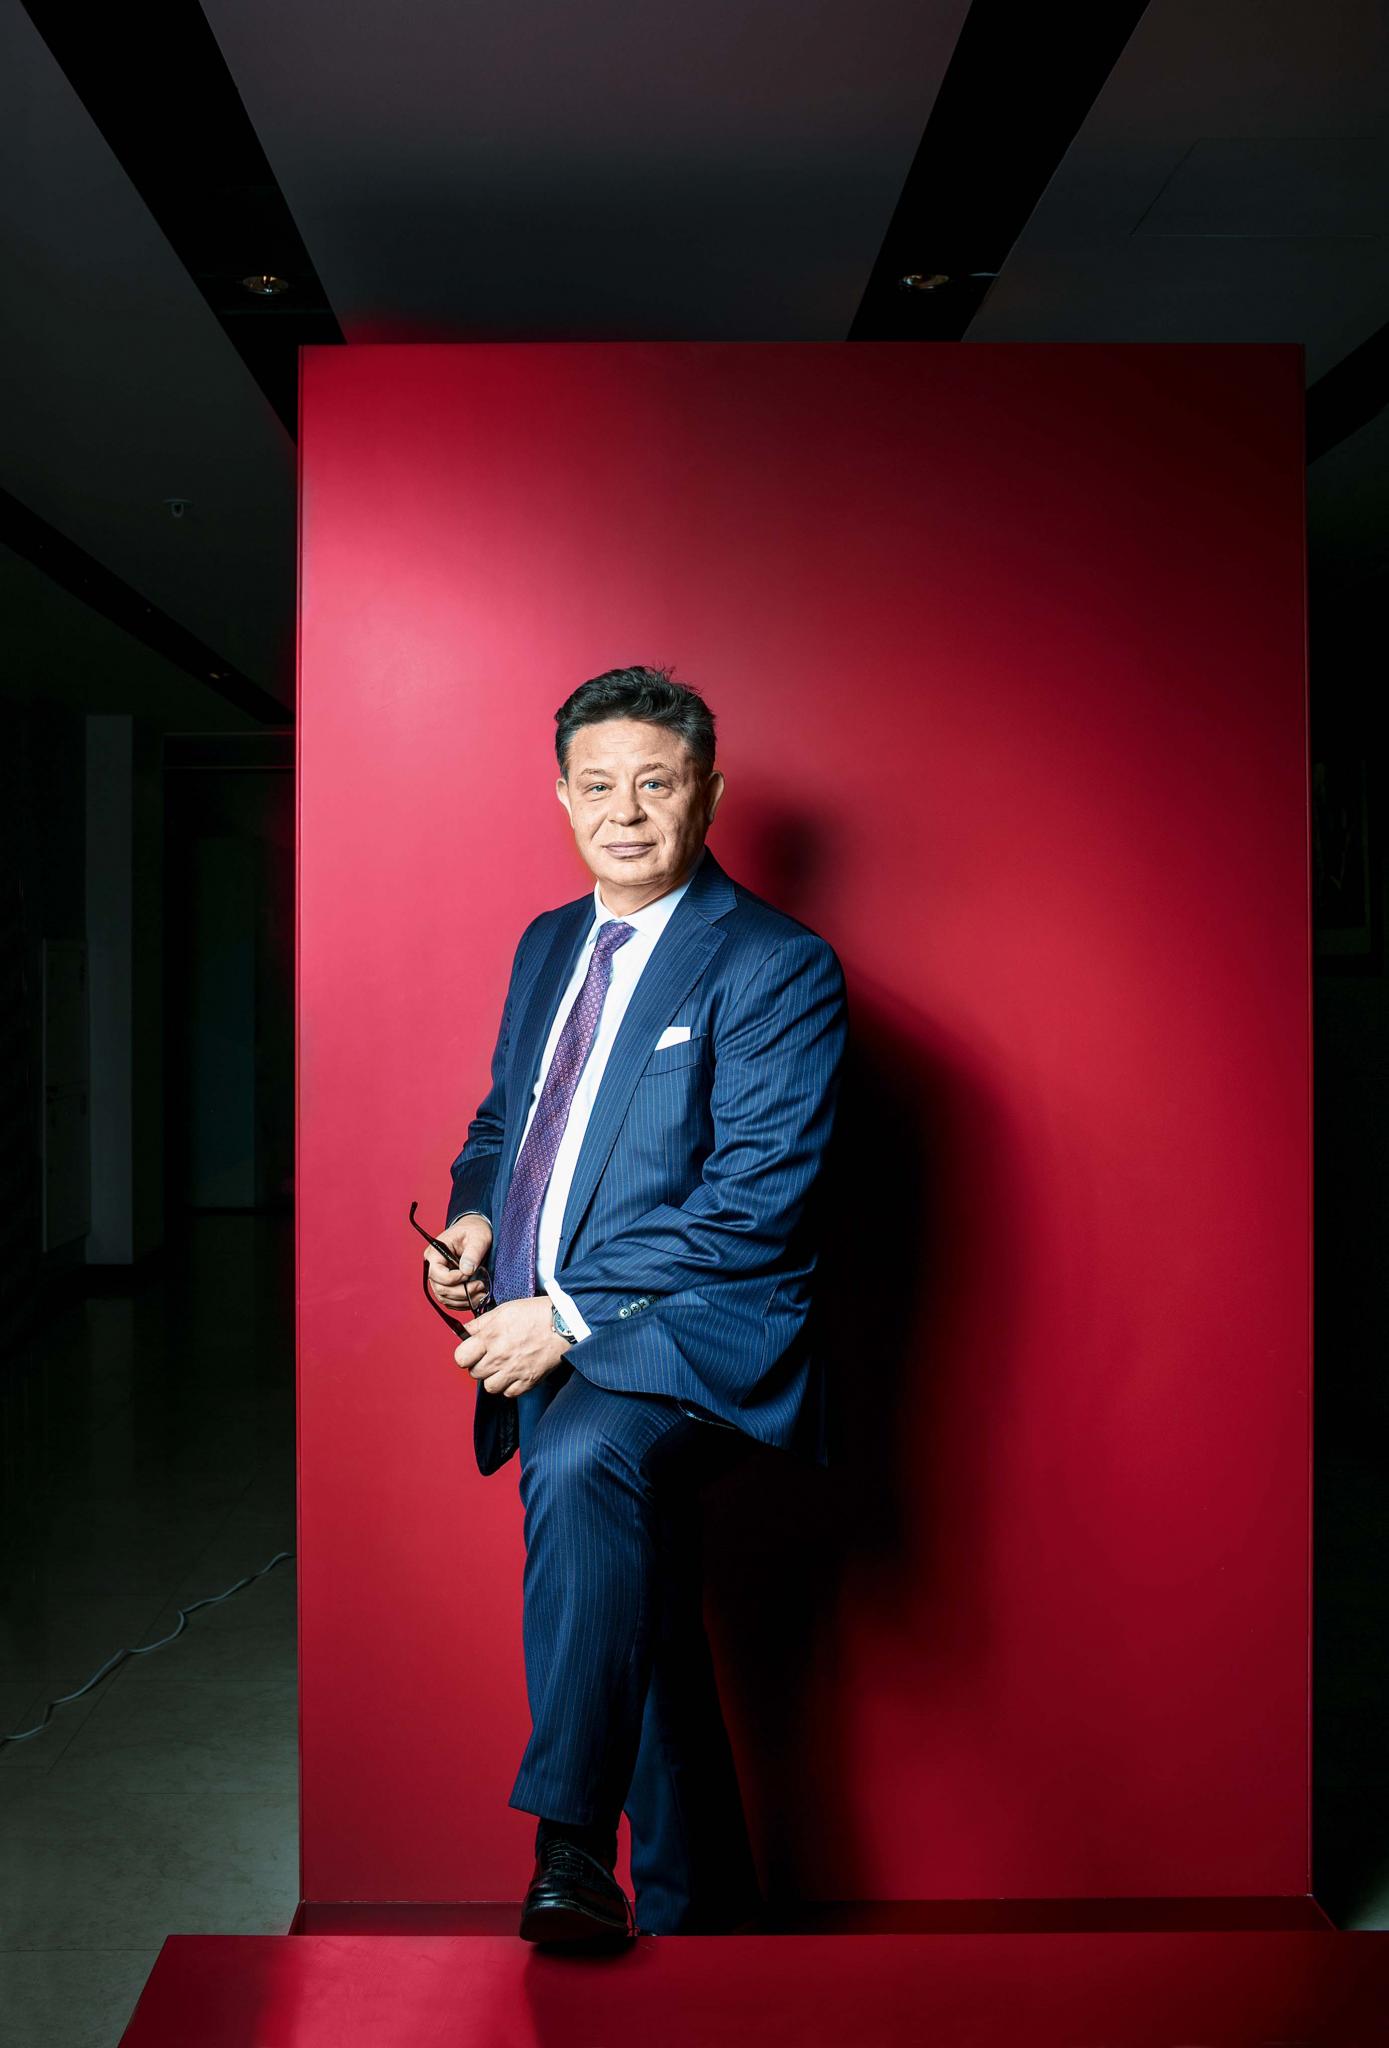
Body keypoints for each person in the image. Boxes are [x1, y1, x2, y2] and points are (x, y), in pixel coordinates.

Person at [426, 664, 848, 1942]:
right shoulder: (548, 942)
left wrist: (559, 1311)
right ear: (561, 797)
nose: (624, 811)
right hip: (545, 1323)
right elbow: (503, 1125)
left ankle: (569, 1847)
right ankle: (704, 1911)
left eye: (655, 783)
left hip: (702, 1333)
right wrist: (475, 1222)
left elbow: (756, 1205)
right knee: (635, 1611)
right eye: (598, 784)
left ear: (707, 795)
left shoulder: (776, 964)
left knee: (583, 1459)